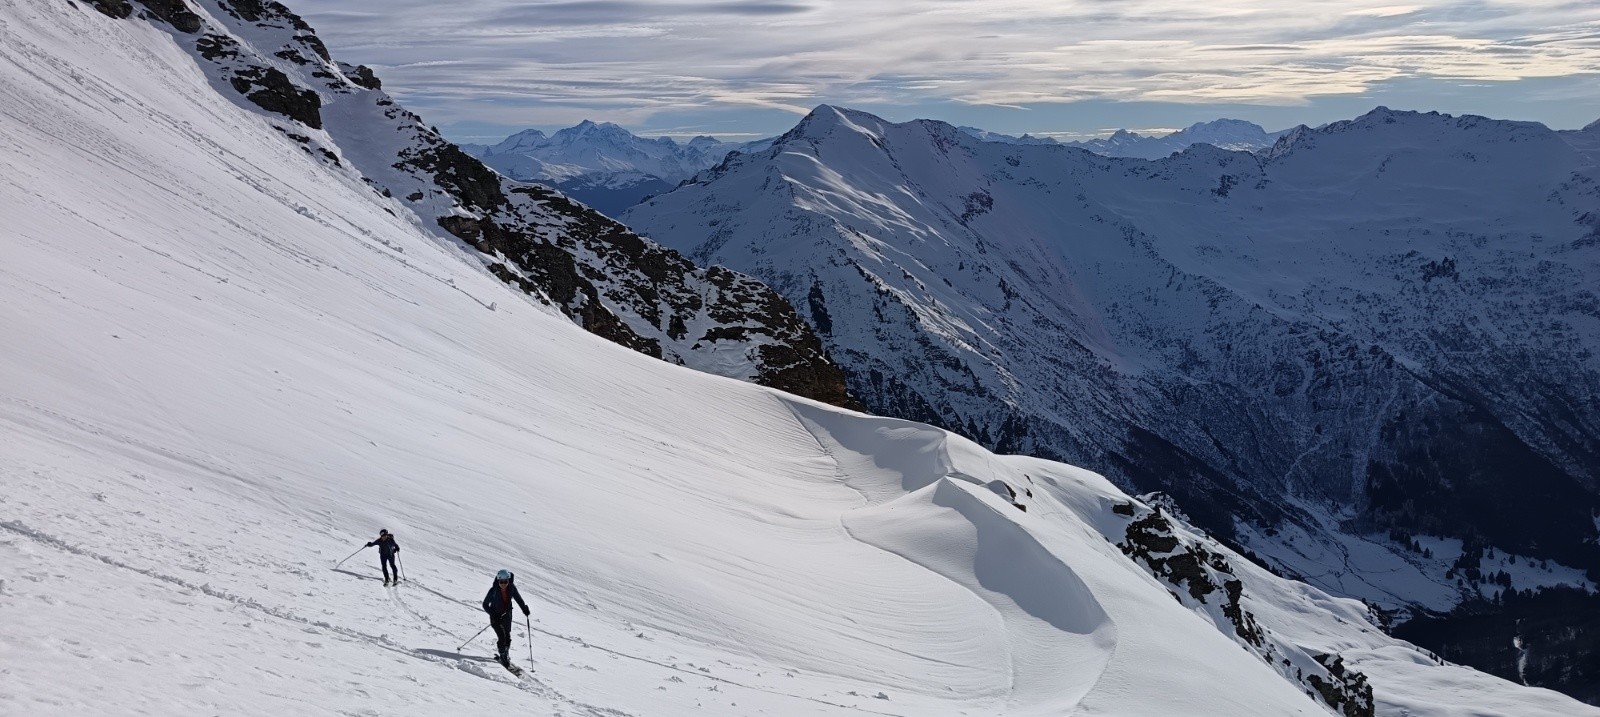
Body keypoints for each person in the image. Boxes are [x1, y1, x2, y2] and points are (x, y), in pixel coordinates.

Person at [481, 569, 530, 667]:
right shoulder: (493, 590)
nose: (503, 584)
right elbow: (485, 604)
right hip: (495, 616)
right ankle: (502, 654)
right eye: (501, 582)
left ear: (508, 580)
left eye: (505, 582)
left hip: (507, 615)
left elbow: (518, 599)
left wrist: (524, 609)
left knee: (507, 636)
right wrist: (493, 614)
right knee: (502, 636)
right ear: (498, 581)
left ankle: (506, 652)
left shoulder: (511, 588)